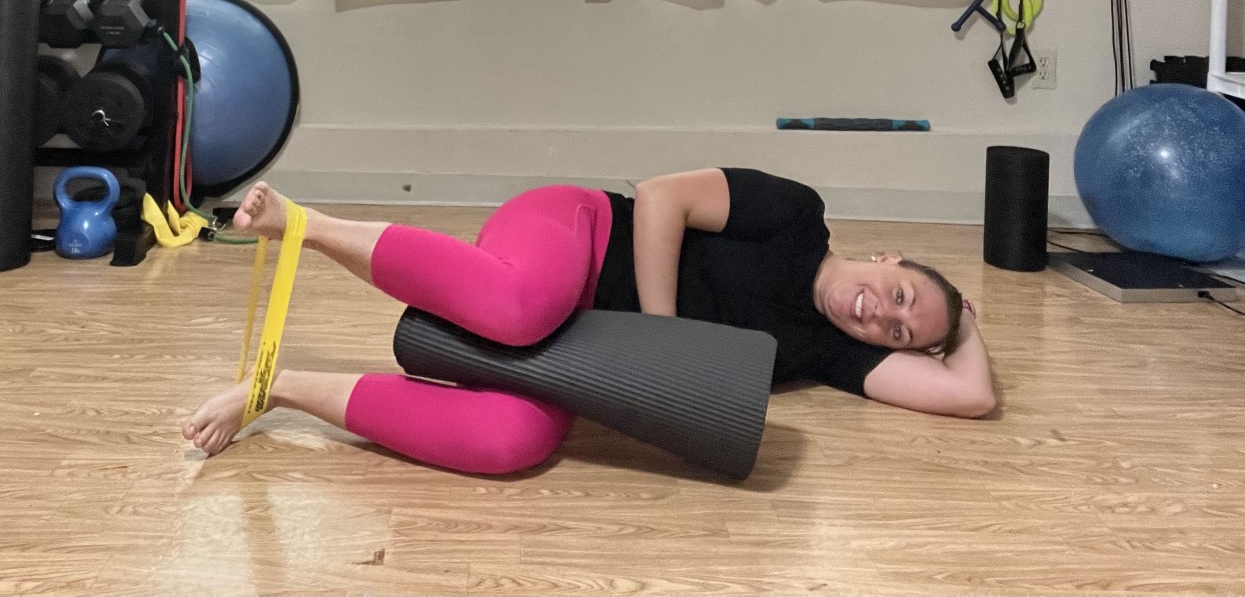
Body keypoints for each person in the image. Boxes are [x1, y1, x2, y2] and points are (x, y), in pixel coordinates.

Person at [184, 168, 995, 473]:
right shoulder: (796, 217)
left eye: (898, 332)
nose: (879, 317)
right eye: (898, 296)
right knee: (518, 302)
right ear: (886, 260)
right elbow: (660, 195)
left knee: (516, 442)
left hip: (582, 349)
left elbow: (973, 398)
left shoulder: (829, 353)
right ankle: (307, 223)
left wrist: (957, 316)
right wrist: (665, 334)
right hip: (575, 233)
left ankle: (279, 389)